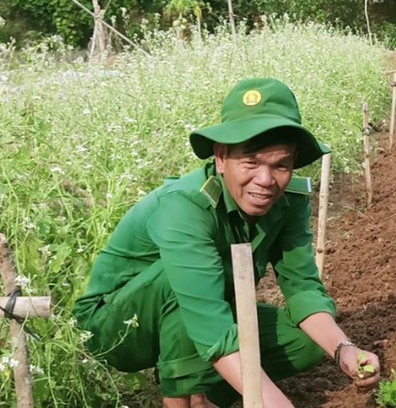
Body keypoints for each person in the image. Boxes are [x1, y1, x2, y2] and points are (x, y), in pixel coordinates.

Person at [74, 78, 380, 407]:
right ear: (221, 157)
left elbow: (302, 285)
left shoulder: (288, 200)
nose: (265, 180)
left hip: (203, 312)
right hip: (116, 326)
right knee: (185, 285)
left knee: (304, 343)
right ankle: (183, 399)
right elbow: (205, 314)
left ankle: (206, 394)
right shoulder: (185, 206)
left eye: (281, 165)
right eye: (251, 162)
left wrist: (343, 348)